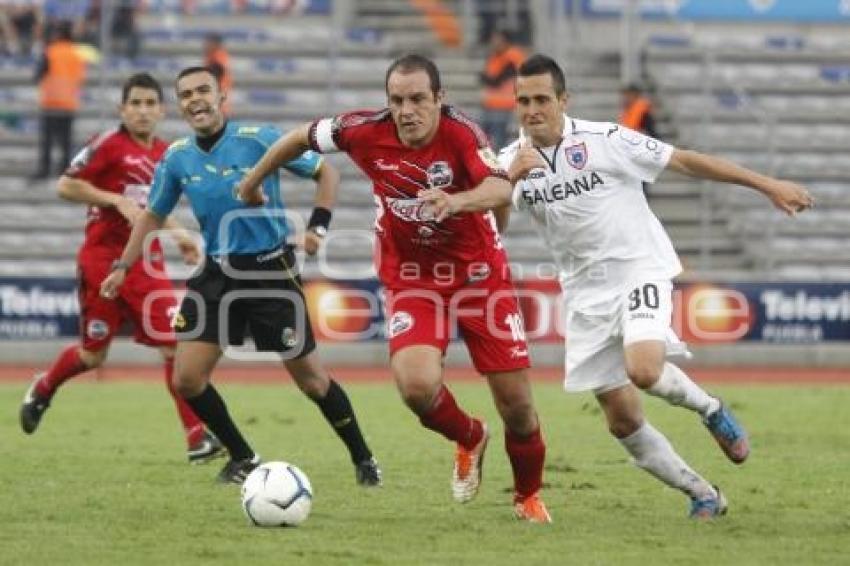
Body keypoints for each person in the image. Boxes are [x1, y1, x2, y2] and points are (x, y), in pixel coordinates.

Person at [421, 54, 814, 518]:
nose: (531, 109)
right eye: (523, 100)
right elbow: (497, 223)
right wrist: (510, 180)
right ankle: (703, 494)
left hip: (637, 270)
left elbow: (685, 161)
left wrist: (767, 185)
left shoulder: (606, 139)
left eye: (542, 99)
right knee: (622, 420)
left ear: (564, 100)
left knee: (644, 369)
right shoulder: (509, 161)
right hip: (583, 295)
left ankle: (710, 409)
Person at [236, 54, 551, 522]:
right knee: (416, 387)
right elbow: (298, 138)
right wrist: (252, 181)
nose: (407, 110)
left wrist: (456, 200)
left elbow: (500, 190)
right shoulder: (362, 130)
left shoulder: (463, 134)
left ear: (439, 99)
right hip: (412, 277)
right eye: (397, 100)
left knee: (519, 407)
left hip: (479, 274)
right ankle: (468, 436)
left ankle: (527, 496)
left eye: (418, 99)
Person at [100, 66, 382, 487]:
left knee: (311, 380)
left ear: (222, 96)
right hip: (216, 273)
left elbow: (328, 173)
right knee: (187, 379)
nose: (195, 99)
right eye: (186, 94)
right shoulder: (177, 156)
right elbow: (153, 215)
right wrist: (123, 266)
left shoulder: (260, 138)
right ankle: (243, 456)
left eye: (203, 91)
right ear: (180, 105)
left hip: (271, 271)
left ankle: (364, 459)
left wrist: (317, 227)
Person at [19, 72, 224, 464]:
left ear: (162, 110)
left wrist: (181, 234)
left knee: (173, 345)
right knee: (93, 356)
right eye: (136, 104)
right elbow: (66, 185)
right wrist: (114, 199)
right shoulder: (107, 146)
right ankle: (44, 387)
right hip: (103, 263)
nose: (143, 111)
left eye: (150, 104)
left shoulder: (167, 152)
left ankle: (197, 438)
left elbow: (154, 209)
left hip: (147, 267)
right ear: (122, 109)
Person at [32, 20, 86, 180]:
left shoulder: (50, 52)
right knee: (65, 140)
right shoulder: (77, 54)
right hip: (69, 102)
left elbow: (38, 75)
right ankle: (64, 169)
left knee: (47, 140)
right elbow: (80, 77)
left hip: (51, 102)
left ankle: (45, 169)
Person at [479, 29, 525, 152]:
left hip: (504, 104)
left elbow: (495, 80)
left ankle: (499, 166)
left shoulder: (513, 56)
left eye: (497, 39)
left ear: (505, 40)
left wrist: (487, 78)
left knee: (498, 140)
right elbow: (485, 78)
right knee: (482, 139)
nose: (494, 42)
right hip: (490, 103)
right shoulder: (494, 56)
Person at [203, 32, 231, 115]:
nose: (206, 45)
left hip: (217, 102)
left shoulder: (218, 56)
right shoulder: (212, 56)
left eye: (209, 42)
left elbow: (215, 74)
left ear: (216, 44)